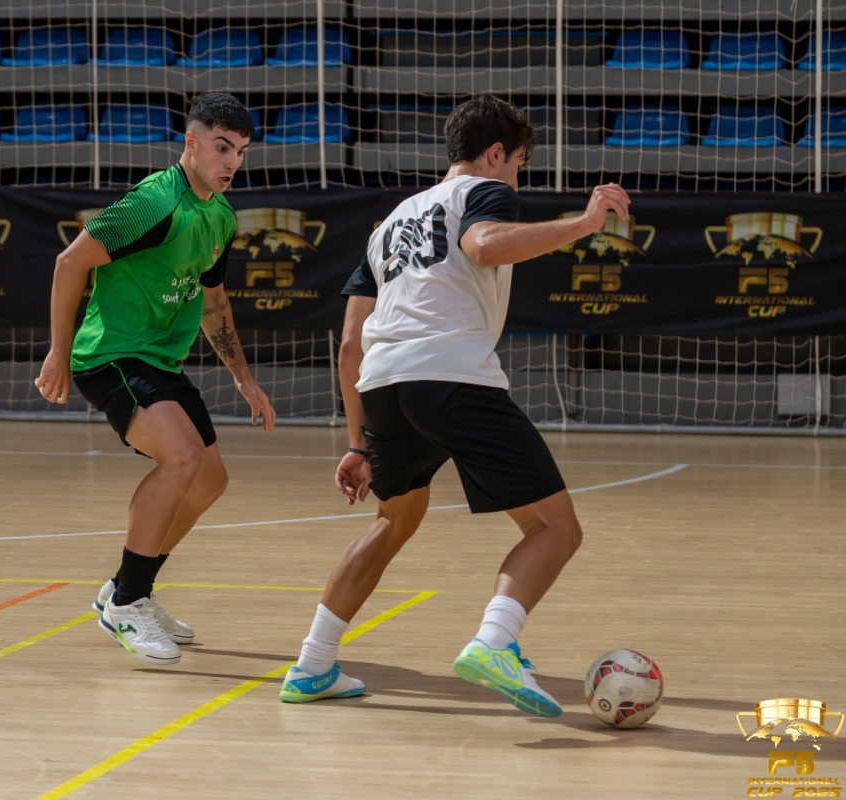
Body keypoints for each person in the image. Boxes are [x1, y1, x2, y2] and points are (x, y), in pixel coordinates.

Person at [278, 94, 631, 716]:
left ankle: (311, 665)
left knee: (393, 519)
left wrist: (358, 443)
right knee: (555, 528)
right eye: (518, 163)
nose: (516, 178)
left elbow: (351, 343)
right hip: (451, 378)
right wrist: (582, 225)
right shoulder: (482, 193)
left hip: (384, 386)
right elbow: (486, 245)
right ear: (495, 154)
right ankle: (494, 643)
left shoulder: (388, 226)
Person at [35, 92, 276, 666]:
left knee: (210, 480)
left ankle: (126, 586)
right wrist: (58, 353)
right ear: (191, 143)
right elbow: (70, 262)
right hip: (111, 355)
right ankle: (128, 602)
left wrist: (244, 379)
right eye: (222, 148)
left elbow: (214, 302)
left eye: (240, 152)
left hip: (160, 362)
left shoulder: (221, 215)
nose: (232, 162)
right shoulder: (152, 202)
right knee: (183, 458)